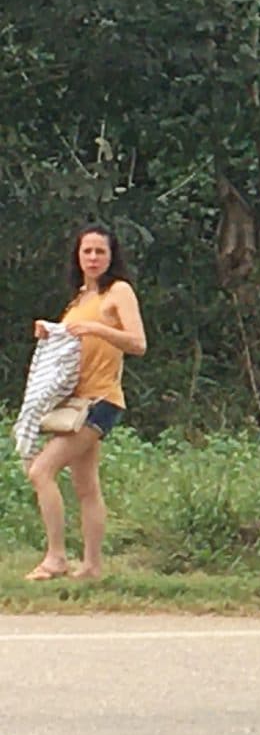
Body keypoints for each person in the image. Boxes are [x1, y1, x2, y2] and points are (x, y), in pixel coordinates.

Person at [24, 223, 147, 582]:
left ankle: (56, 557)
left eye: (100, 252)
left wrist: (97, 329)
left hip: (101, 399)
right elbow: (73, 345)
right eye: (87, 251)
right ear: (77, 256)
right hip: (75, 400)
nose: (93, 258)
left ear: (112, 256)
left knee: (41, 470)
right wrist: (51, 331)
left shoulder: (118, 292)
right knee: (86, 486)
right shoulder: (79, 299)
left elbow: (138, 343)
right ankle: (92, 566)